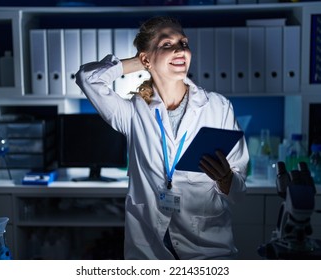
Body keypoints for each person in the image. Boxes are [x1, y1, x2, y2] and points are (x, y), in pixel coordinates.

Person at [76, 16, 249, 260]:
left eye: (184, 43)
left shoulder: (218, 108)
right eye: (167, 44)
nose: (181, 49)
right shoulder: (134, 112)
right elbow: (88, 78)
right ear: (146, 58)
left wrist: (225, 179)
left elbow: (239, 193)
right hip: (149, 252)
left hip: (208, 252)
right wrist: (141, 62)